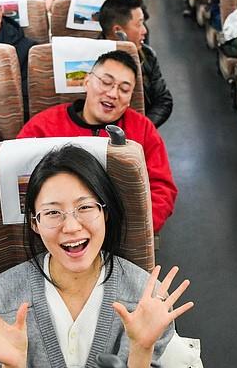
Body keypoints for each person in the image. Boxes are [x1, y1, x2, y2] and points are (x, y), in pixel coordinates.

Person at [0, 144, 190, 368]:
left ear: (106, 212)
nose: (72, 227)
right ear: (34, 223)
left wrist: (141, 349)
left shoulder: (144, 297)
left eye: (85, 207)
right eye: (53, 213)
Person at [16, 50, 177, 233]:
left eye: (124, 89)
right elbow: (19, 181)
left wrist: (132, 230)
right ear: (87, 81)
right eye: (106, 82)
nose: (113, 93)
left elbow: (162, 189)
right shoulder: (41, 127)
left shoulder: (143, 129)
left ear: (130, 99)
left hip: (122, 231)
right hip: (57, 231)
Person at [98, 0, 173, 128]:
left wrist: (141, 128)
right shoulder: (91, 59)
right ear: (118, 31)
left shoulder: (147, 55)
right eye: (139, 24)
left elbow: (163, 100)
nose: (145, 31)